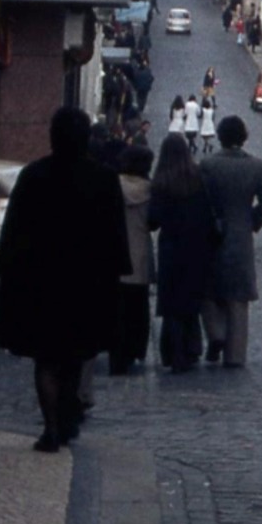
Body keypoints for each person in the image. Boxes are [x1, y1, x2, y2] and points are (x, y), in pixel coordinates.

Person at [0, 107, 130, 451]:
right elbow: (114, 235)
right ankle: (64, 419)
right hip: (87, 283)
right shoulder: (103, 178)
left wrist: (10, 274)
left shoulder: (34, 175)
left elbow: (15, 232)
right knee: (74, 355)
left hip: (42, 282)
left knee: (46, 358)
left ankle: (52, 425)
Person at [200, 116, 262, 368]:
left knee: (208, 291)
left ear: (220, 136)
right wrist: (250, 223)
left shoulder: (208, 165)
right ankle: (235, 355)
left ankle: (216, 334)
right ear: (243, 137)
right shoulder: (256, 166)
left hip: (212, 234)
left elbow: (199, 199)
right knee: (238, 300)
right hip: (241, 235)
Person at [148, 133, 217, 373]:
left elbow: (152, 221)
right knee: (191, 302)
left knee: (171, 305)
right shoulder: (199, 178)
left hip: (171, 248)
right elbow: (209, 213)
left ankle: (173, 352)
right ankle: (191, 349)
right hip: (197, 247)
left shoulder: (161, 182)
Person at [109, 143, 155, 375]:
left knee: (117, 307)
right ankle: (136, 348)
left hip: (115, 253)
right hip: (140, 254)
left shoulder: (112, 186)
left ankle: (116, 350)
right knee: (138, 307)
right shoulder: (150, 190)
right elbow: (154, 222)